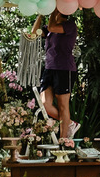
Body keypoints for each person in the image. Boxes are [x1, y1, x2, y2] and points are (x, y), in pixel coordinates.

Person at [32, 10, 79, 142]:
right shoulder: (49, 29)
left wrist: (53, 10)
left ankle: (63, 140)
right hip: (49, 68)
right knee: (44, 104)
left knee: (63, 105)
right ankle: (69, 123)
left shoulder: (69, 25)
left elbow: (53, 26)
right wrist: (41, 14)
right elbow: (34, 33)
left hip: (64, 69)